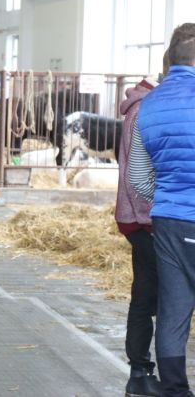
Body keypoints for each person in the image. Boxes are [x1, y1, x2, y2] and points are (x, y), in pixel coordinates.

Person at [129, 23, 195, 397]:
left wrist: (169, 195)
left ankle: (174, 389)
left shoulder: (149, 105)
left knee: (172, 312)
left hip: (169, 222)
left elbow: (138, 178)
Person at [116, 68, 164, 397]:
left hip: (145, 219)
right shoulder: (143, 109)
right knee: (148, 296)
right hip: (144, 221)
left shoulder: (144, 105)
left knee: (150, 295)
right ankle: (140, 371)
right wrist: (154, 215)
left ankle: (143, 371)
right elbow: (138, 176)